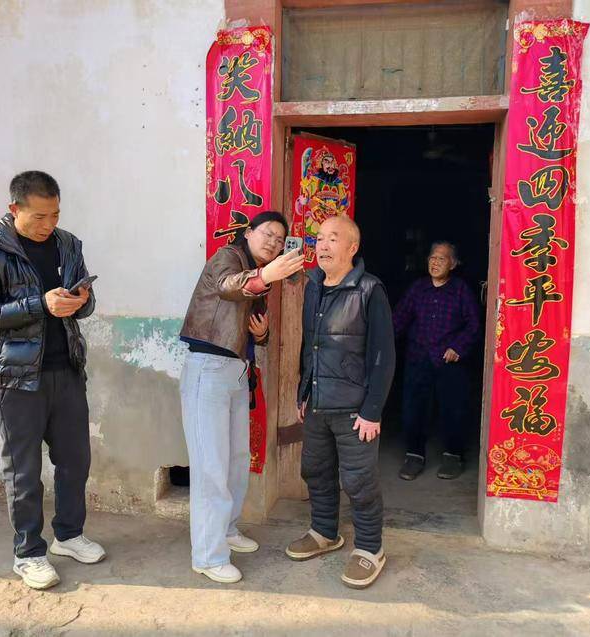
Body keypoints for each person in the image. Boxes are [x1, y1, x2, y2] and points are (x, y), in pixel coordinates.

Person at [0, 170, 103, 590]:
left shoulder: (68, 243)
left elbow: (86, 303)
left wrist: (80, 301)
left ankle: (69, 535)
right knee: (23, 471)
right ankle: (28, 552)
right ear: (14, 209)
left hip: (66, 368)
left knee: (75, 461)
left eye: (55, 214)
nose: (48, 224)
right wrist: (40, 304)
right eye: (39, 216)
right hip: (16, 376)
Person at [179, 211, 304, 584]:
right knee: (211, 467)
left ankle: (227, 530)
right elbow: (227, 286)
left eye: (280, 240)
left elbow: (251, 330)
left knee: (235, 460)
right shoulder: (229, 257)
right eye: (268, 234)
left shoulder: (260, 274)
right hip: (208, 368)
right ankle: (208, 555)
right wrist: (267, 275)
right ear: (248, 233)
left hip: (236, 370)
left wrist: (262, 335)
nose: (274, 242)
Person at [286, 215, 395, 590]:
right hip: (318, 403)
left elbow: (383, 355)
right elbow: (310, 344)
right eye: (319, 238)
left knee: (359, 482)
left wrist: (372, 410)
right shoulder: (313, 285)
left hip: (354, 409)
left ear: (352, 247)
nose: (324, 245)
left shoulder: (369, 289)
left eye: (333, 238)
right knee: (315, 471)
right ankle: (324, 532)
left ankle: (370, 549)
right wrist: (303, 392)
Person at [394, 241, 481, 481]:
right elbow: (400, 318)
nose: (435, 262)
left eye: (441, 259)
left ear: (452, 264)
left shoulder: (461, 290)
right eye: (432, 257)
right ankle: (414, 456)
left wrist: (458, 347)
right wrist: (381, 342)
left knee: (453, 409)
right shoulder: (418, 288)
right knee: (414, 409)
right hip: (418, 357)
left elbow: (474, 325)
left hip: (449, 361)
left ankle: (453, 456)